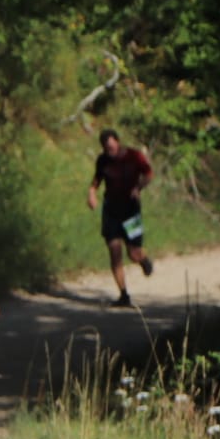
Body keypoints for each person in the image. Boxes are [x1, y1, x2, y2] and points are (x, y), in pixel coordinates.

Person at [86, 130, 154, 307]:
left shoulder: (134, 156)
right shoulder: (103, 161)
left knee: (133, 253)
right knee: (114, 251)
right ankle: (124, 295)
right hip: (111, 211)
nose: (110, 151)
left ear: (118, 142)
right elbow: (96, 181)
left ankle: (143, 259)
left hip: (130, 210)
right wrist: (91, 194)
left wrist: (138, 187)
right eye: (106, 148)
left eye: (111, 147)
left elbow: (148, 174)